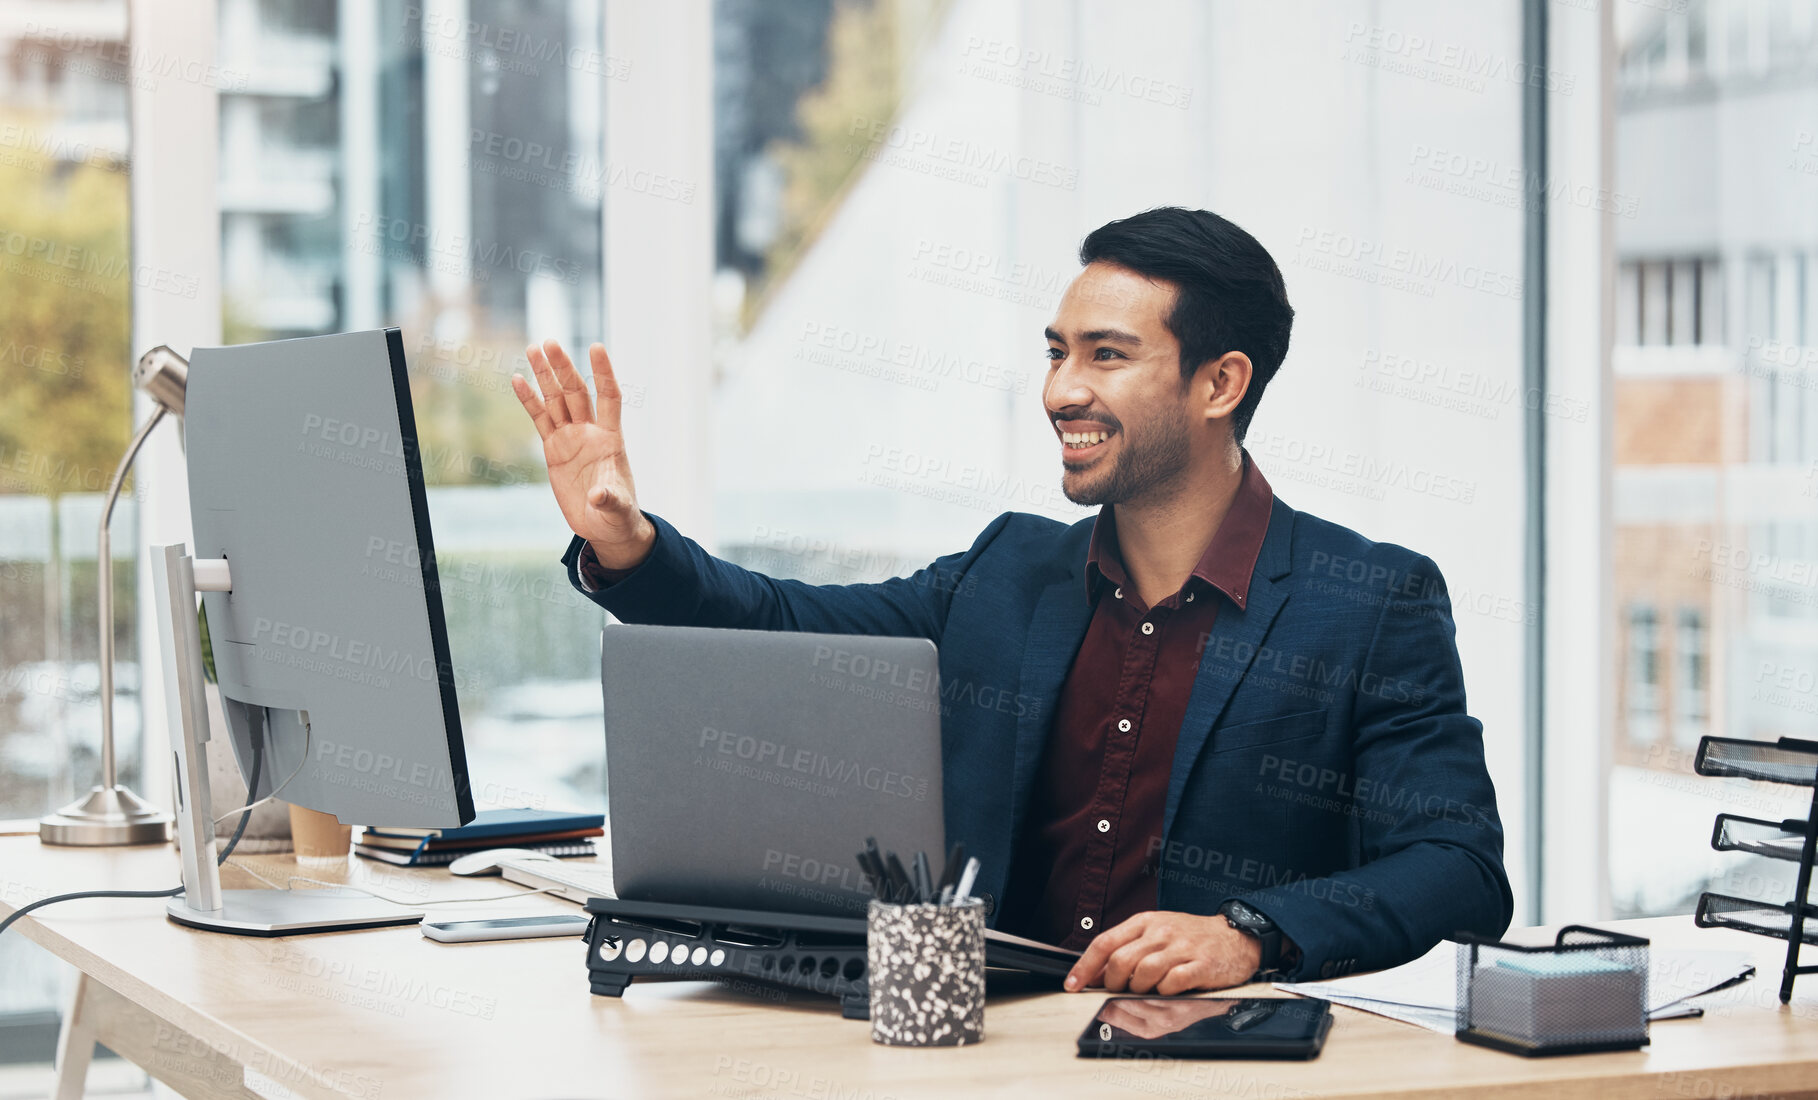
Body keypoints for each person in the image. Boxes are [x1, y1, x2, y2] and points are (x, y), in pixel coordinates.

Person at [511, 206, 1512, 994]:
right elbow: (782, 625)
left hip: (1207, 1064)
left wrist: (1250, 932)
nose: (1060, 390)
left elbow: (1457, 866)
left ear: (1220, 383)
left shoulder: (1370, 600)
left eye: (1106, 355)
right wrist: (626, 542)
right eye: (1056, 350)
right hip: (981, 1055)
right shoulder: (1007, 571)